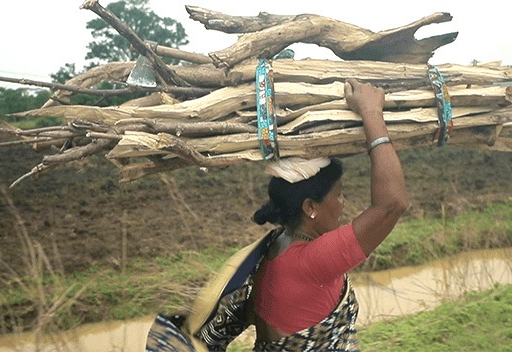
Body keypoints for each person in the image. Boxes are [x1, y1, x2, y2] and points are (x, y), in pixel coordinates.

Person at [145, 79, 407, 351]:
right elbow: (391, 204)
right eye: (338, 195)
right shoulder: (312, 261)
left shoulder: (274, 247)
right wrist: (371, 113)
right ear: (310, 207)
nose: (344, 203)